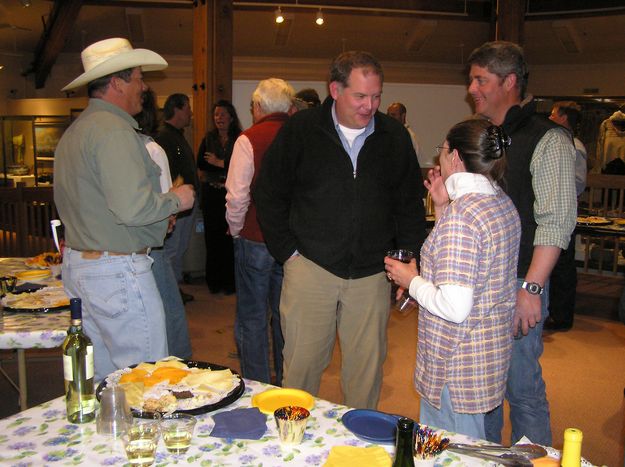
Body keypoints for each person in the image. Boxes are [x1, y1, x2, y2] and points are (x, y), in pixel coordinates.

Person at [254, 51, 427, 409]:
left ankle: (359, 450)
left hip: (371, 273)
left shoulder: (394, 136)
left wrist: (407, 258)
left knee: (365, 374)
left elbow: (410, 203)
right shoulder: (300, 131)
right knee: (301, 371)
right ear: (335, 89)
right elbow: (269, 193)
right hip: (310, 267)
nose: (370, 106)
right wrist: (288, 252)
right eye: (360, 96)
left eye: (376, 96)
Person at [54, 37, 195, 381]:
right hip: (116, 271)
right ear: (117, 82)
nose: (144, 88)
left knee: (106, 379)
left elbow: (101, 204)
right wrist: (178, 198)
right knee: (145, 379)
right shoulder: (114, 131)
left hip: (81, 266)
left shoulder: (76, 131)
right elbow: (133, 208)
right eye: (138, 78)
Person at [466, 41, 577, 445]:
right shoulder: (484, 134)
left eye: (481, 79)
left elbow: (555, 224)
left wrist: (531, 289)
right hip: (479, 284)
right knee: (484, 394)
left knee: (522, 390)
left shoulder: (547, 139)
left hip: (519, 284)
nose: (472, 88)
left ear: (509, 82)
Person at [384, 120, 521, 439]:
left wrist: (412, 279)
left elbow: (455, 307)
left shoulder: (464, 219)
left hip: (456, 364)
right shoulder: (499, 201)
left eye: (442, 151)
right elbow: (474, 268)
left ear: (456, 157)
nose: (439, 159)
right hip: (485, 355)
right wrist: (443, 206)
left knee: (450, 450)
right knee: (476, 445)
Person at [225, 78, 294, 385]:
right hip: (291, 242)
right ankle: (285, 379)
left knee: (252, 317)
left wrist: (236, 229)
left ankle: (257, 384)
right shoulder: (299, 138)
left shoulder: (248, 139)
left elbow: (237, 195)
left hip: (254, 237)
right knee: (284, 316)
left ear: (258, 107)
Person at [135, 88, 192, 359]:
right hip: (150, 243)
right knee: (169, 308)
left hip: (134, 244)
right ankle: (177, 366)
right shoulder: (151, 149)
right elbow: (167, 201)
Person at [545, 101, 587, 332]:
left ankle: (562, 317)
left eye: (553, 114)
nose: (550, 117)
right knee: (554, 265)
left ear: (563, 118)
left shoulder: (574, 146)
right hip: (554, 208)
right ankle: (552, 311)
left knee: (562, 266)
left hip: (564, 210)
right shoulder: (555, 141)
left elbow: (578, 182)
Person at [156, 93, 199, 303]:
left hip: (184, 203)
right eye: (188, 108)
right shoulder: (164, 137)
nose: (190, 113)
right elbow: (167, 175)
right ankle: (172, 293)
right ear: (178, 109)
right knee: (173, 249)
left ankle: (175, 289)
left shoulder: (177, 135)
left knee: (179, 248)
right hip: (176, 205)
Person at [197, 100, 242, 294]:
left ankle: (230, 283)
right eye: (216, 115)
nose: (219, 118)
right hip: (211, 194)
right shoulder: (208, 138)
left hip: (230, 194)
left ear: (231, 117)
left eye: (223, 114)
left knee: (229, 240)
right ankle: (214, 283)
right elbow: (202, 164)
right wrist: (223, 164)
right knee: (212, 239)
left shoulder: (239, 138)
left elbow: (241, 166)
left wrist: (218, 162)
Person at [386, 102, 426, 167]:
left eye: (393, 115)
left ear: (403, 116)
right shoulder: (393, 133)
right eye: (388, 115)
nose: (389, 118)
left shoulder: (408, 135)